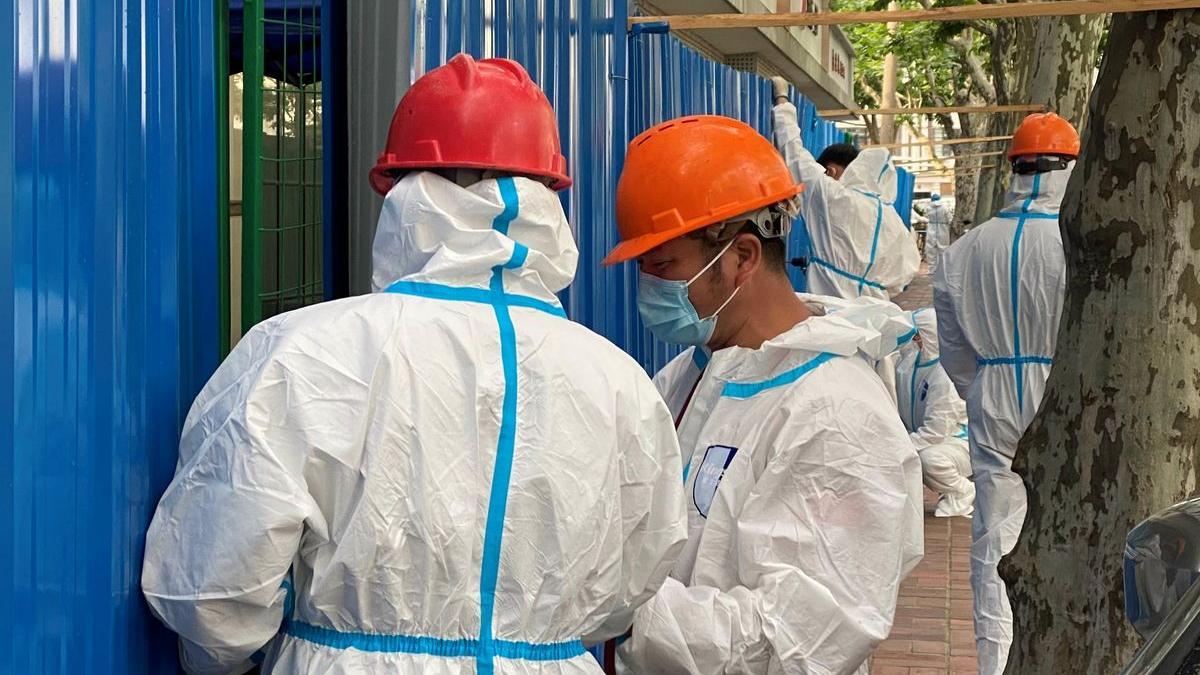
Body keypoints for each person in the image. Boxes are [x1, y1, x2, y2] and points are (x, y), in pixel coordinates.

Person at [141, 54, 687, 674]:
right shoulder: (621, 385)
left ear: (405, 192)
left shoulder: (301, 352)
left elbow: (215, 595)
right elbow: (634, 582)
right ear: (547, 200)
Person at [604, 113, 924, 674]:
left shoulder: (837, 415)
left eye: (662, 265)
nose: (649, 288)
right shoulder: (690, 375)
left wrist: (622, 617)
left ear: (742, 258)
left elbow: (804, 635)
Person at [933, 111, 1079, 675]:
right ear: (1071, 167)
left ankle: (997, 664)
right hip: (1064, 389)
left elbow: (953, 355)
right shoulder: (1078, 245)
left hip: (993, 392)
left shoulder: (963, 251)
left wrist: (988, 389)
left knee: (994, 536)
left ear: (1012, 168)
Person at [771, 77, 919, 301]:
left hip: (833, 306)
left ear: (831, 171)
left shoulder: (834, 195)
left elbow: (793, 151)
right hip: (876, 311)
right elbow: (905, 275)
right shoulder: (893, 221)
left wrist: (782, 101)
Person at [896, 308, 975, 518]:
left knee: (928, 459)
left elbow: (936, 430)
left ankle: (962, 490)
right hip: (931, 438)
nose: (911, 340)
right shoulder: (909, 365)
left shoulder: (945, 375)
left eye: (916, 335)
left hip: (959, 441)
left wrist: (900, 448)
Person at [924, 193, 953, 274]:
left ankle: (931, 269)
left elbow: (927, 217)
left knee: (930, 249)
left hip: (931, 229)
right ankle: (943, 268)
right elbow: (950, 219)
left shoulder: (928, 208)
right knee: (943, 249)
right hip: (943, 229)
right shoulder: (944, 208)